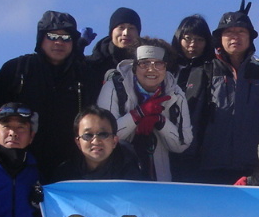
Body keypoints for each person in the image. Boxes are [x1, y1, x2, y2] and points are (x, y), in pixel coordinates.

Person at [0, 11, 99, 182]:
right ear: (40, 38)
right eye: (52, 36)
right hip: (18, 165)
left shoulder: (85, 76)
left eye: (66, 37)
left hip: (69, 167)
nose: (59, 42)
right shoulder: (17, 69)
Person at [197, 1, 259, 184]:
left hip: (252, 170)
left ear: (250, 38)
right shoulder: (205, 72)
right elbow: (195, 120)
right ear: (219, 38)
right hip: (209, 167)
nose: (235, 37)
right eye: (229, 32)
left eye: (241, 32)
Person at [97, 38, 191, 181]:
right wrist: (138, 114)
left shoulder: (175, 94)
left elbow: (182, 144)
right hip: (118, 176)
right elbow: (104, 137)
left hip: (160, 178)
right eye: (144, 63)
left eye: (158, 64)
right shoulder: (114, 87)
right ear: (135, 66)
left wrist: (161, 122)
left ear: (166, 67)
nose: (151, 69)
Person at [170, 15, 215, 182]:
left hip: (197, 149)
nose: (192, 45)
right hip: (163, 143)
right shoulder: (166, 67)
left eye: (199, 39)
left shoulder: (210, 69)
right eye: (187, 38)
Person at [50, 106, 145, 181]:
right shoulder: (64, 176)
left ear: (114, 141)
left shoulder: (133, 178)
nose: (95, 141)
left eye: (103, 134)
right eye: (88, 135)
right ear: (78, 143)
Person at [88, 7, 141, 83]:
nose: (126, 33)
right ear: (111, 32)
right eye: (121, 27)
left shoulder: (146, 65)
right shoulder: (93, 64)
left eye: (131, 28)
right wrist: (79, 47)